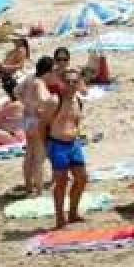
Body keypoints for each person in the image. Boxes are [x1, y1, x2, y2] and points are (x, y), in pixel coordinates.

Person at [39, 67, 88, 229]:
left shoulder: (79, 101)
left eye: (75, 82)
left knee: (82, 178)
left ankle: (72, 213)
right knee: (61, 182)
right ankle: (60, 217)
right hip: (57, 144)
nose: (71, 85)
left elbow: (76, 121)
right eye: (68, 82)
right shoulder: (55, 101)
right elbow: (42, 125)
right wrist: (45, 146)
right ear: (61, 82)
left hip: (73, 144)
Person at [17, 56, 54, 197]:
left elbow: (16, 91)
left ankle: (28, 186)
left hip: (26, 119)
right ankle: (38, 191)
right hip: (37, 121)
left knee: (29, 155)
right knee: (39, 157)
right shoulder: (40, 83)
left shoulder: (29, 78)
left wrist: (27, 104)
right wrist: (49, 103)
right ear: (48, 71)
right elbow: (44, 99)